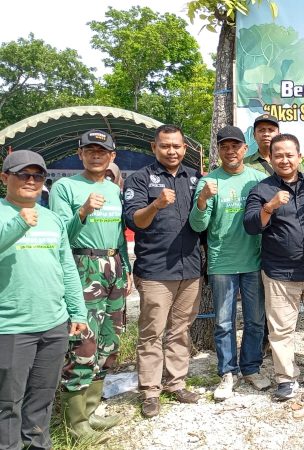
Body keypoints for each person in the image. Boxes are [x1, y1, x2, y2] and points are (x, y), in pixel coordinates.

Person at [0, 150, 88, 449]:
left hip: (53, 324)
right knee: (7, 403)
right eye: (23, 174)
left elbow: (66, 268)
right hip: (11, 326)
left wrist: (78, 312)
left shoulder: (52, 219)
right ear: (4, 178)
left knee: (42, 398)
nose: (31, 180)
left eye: (38, 176)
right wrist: (19, 224)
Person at [49, 129, 132, 441]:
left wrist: (126, 267)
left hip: (114, 266)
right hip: (83, 265)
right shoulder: (65, 187)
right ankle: (75, 420)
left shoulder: (114, 189)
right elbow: (62, 238)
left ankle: (93, 410)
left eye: (103, 151)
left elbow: (120, 234)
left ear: (112, 156)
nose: (96, 155)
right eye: (90, 150)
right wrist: (82, 211)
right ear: (79, 153)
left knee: (109, 340)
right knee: (83, 342)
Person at [244, 133, 304, 401]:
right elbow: (251, 225)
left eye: (289, 154)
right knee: (281, 329)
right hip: (279, 273)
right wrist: (270, 207)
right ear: (270, 158)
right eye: (278, 155)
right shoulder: (262, 189)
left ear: (299, 156)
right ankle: (286, 377)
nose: (284, 160)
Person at [123, 124, 203, 418]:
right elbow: (135, 222)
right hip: (156, 270)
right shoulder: (140, 179)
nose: (172, 151)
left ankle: (175, 383)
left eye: (177, 146)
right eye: (165, 146)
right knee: (152, 333)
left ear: (184, 148)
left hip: (190, 268)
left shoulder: (194, 177)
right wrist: (156, 204)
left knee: (180, 330)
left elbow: (202, 220)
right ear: (153, 147)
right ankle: (150, 391)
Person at [189, 126, 269, 402]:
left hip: (254, 261)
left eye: (236, 146)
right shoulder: (208, 182)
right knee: (224, 322)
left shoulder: (259, 179)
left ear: (245, 149)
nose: (231, 150)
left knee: (256, 320)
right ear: (219, 150)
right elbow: (197, 225)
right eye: (225, 146)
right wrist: (202, 200)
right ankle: (227, 373)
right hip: (222, 261)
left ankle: (251, 368)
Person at [242, 113, 280, 355]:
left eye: (270, 129)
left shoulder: (288, 161)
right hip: (255, 237)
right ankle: (259, 345)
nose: (266, 133)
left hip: (281, 238)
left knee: (277, 298)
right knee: (257, 298)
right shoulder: (246, 165)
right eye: (261, 130)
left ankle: (275, 342)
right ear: (254, 135)